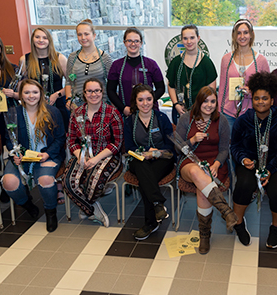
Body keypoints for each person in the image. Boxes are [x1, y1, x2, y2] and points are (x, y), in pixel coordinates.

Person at [231, 72, 277, 249]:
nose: (261, 102)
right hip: (250, 162)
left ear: (272, 100)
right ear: (252, 99)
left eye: (265, 98)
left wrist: (271, 169)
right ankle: (238, 224)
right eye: (257, 98)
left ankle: (275, 229)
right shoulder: (243, 120)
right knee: (243, 184)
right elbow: (235, 146)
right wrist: (243, 159)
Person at [176, 86, 236, 254]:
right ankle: (226, 211)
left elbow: (224, 149)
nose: (209, 105)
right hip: (190, 161)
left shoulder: (221, 120)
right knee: (197, 173)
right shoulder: (186, 119)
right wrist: (192, 140)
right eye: (205, 101)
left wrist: (217, 164)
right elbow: (177, 148)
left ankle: (204, 235)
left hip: (214, 163)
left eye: (212, 101)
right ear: (198, 102)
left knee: (203, 188)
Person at [2, 79, 65, 232]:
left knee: (45, 179)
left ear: (41, 94)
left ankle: (51, 212)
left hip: (46, 155)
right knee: (8, 182)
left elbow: (60, 138)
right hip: (22, 157)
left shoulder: (52, 111)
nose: (31, 96)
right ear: (21, 95)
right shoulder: (13, 114)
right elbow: (8, 139)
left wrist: (48, 154)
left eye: (35, 92)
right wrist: (14, 155)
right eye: (27, 92)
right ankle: (27, 204)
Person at [63, 78, 124, 227]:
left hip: (107, 155)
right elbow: (71, 140)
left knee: (94, 182)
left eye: (97, 90)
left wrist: (95, 159)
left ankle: (85, 208)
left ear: (102, 92)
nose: (93, 94)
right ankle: (92, 209)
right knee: (68, 183)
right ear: (84, 93)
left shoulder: (112, 113)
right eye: (89, 91)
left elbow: (117, 143)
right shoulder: (76, 113)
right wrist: (80, 157)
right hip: (81, 155)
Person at [124, 84, 176, 240]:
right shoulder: (129, 121)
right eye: (140, 100)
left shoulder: (162, 119)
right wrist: (146, 151)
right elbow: (129, 147)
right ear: (135, 101)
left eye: (148, 99)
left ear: (154, 100)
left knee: (146, 179)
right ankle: (157, 204)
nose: (145, 103)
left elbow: (171, 146)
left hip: (163, 159)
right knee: (142, 168)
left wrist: (157, 152)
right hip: (139, 159)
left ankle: (151, 222)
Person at [219, 19, 270, 131]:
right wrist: (219, 112)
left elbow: (268, 90)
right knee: (230, 146)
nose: (242, 36)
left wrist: (251, 92)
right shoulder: (226, 59)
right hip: (228, 114)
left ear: (251, 35)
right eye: (239, 33)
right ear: (234, 36)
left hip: (252, 113)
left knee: (250, 147)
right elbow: (222, 88)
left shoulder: (261, 60)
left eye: (246, 32)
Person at [19, 27, 69, 130]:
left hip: (58, 104)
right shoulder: (24, 60)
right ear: (32, 39)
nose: (41, 40)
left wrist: (57, 95)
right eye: (37, 37)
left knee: (60, 137)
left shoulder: (60, 58)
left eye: (44, 38)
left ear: (49, 40)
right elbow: (22, 85)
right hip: (34, 107)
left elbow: (71, 84)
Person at [108, 27, 165, 117]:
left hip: (149, 112)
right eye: (129, 41)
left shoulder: (151, 64)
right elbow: (110, 90)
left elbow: (161, 88)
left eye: (136, 41)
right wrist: (123, 108)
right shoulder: (116, 65)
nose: (133, 44)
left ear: (141, 43)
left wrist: (147, 103)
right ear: (124, 43)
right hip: (126, 112)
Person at [167, 24, 217, 124]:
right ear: (181, 40)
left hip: (202, 112)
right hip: (180, 110)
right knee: (181, 139)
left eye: (192, 38)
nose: (189, 42)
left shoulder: (206, 63)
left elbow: (211, 91)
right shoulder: (176, 62)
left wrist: (202, 108)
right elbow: (171, 86)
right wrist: (176, 104)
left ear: (198, 38)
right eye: (185, 38)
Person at [65, 19, 113, 109]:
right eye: (80, 34)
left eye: (86, 34)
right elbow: (69, 81)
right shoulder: (72, 57)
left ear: (94, 36)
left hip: (101, 107)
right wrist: (68, 99)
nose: (83, 38)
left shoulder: (105, 58)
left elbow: (112, 85)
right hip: (78, 107)